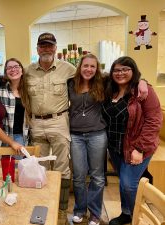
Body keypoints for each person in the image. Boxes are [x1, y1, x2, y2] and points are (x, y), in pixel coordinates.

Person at [102, 56, 163, 225]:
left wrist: (140, 149)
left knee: (129, 184)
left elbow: (154, 120)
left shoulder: (143, 91)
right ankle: (126, 213)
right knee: (123, 182)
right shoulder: (110, 90)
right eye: (117, 70)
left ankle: (140, 218)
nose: (120, 73)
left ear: (133, 71)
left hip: (136, 146)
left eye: (125, 69)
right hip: (115, 147)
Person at [21, 32, 76, 218]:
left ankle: (60, 210)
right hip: (36, 123)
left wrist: (141, 82)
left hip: (59, 121)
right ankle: (43, 205)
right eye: (42, 45)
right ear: (37, 48)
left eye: (49, 45)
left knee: (62, 166)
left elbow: (93, 78)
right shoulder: (27, 71)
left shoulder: (68, 69)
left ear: (55, 47)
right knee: (40, 166)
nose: (46, 49)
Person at [68, 54, 107, 225]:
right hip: (75, 135)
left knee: (97, 176)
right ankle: (79, 210)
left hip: (97, 134)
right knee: (78, 176)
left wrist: (144, 82)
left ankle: (95, 213)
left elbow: (128, 81)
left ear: (96, 69)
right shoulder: (71, 83)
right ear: (80, 66)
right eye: (86, 66)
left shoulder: (103, 83)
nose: (89, 69)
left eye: (92, 66)